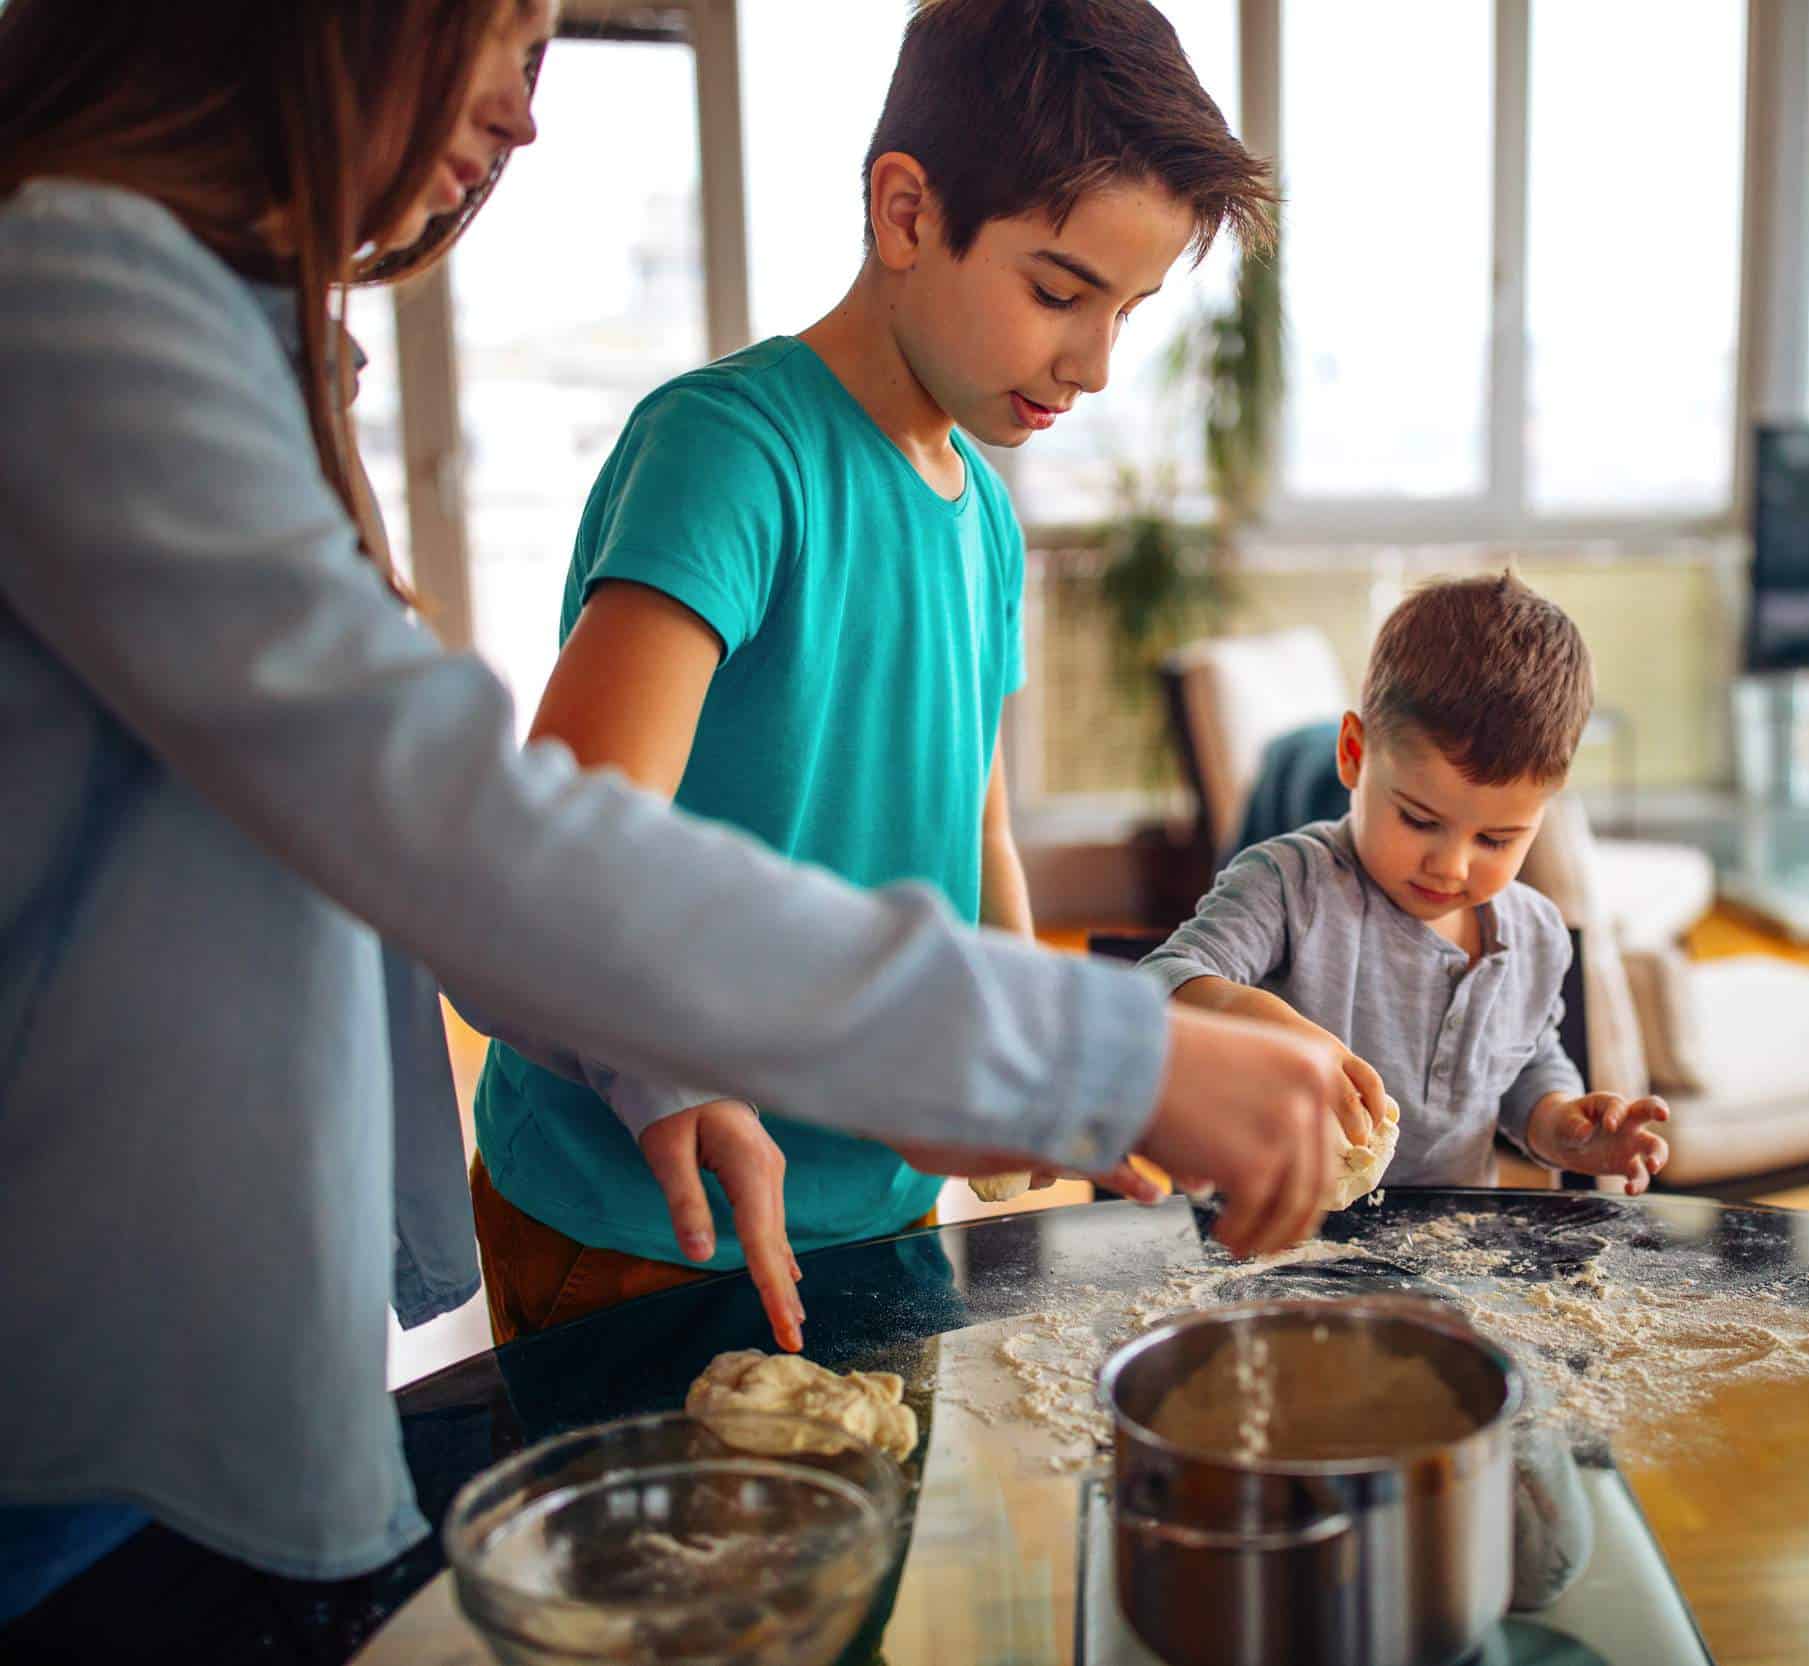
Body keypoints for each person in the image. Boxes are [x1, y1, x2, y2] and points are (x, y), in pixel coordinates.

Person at [0, 0, 1336, 1645]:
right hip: (341, 1278)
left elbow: (439, 836)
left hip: (706, 1223)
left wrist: (1069, 1048)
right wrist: (1090, 1048)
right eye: (510, 29)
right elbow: (481, 829)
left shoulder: (227, 324)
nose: (529, 113)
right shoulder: (82, 301)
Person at [467, 0, 1275, 1350]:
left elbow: (978, 830)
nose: (1092, 362)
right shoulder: (731, 452)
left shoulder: (985, 516)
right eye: (1059, 292)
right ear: (905, 214)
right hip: (645, 1213)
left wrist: (1046, 1072)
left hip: (879, 1203)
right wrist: (661, 1072)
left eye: (1126, 311)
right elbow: (567, 852)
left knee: (866, 1542)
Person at [1140, 573, 1674, 1192]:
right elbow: (1158, 981)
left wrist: (1559, 1123)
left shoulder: (1536, 934)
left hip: (1452, 1245)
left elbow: (1522, 1060)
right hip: (1271, 1233)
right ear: (1353, 753)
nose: (1450, 866)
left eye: (1496, 840)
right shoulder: (1290, 886)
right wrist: (1266, 1021)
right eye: (1419, 819)